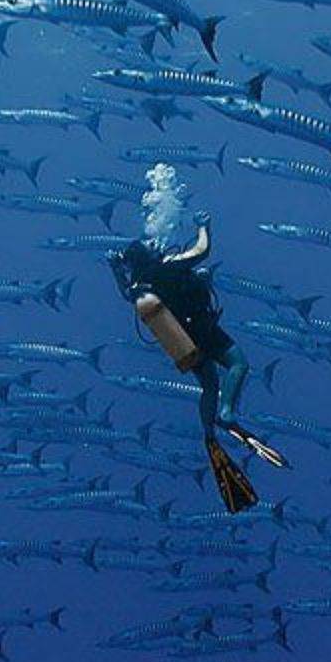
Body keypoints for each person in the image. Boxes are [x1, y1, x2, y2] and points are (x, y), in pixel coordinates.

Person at [109, 211, 286, 513]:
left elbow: (126, 294)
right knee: (238, 364)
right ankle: (227, 412)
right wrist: (203, 226)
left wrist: (115, 269)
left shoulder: (140, 284)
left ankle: (209, 433)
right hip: (202, 330)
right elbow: (202, 251)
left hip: (179, 341)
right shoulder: (167, 266)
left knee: (208, 384)